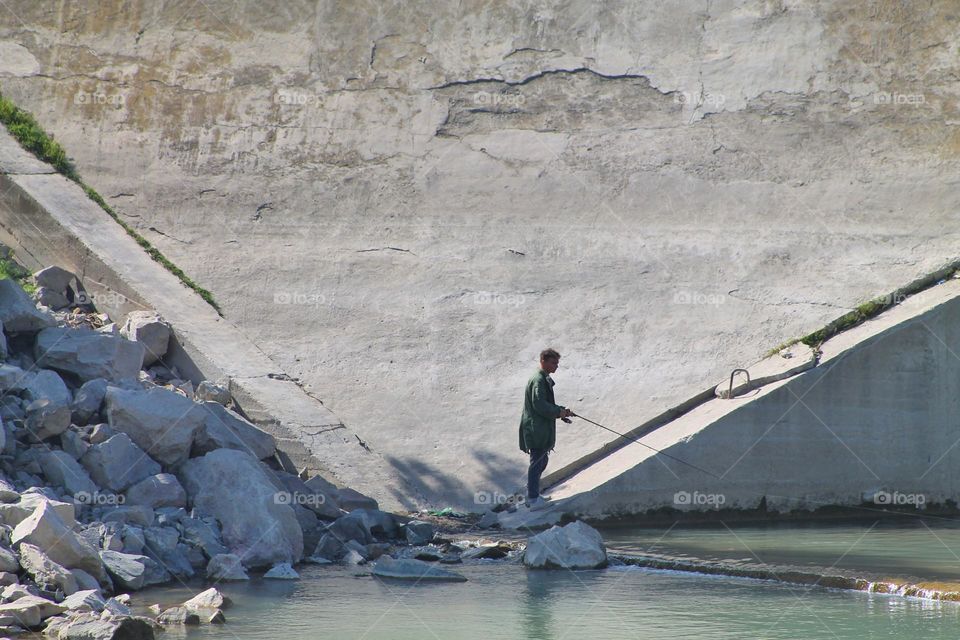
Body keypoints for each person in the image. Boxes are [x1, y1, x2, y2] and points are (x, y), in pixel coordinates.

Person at [519, 348, 573, 509]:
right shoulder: (538, 380)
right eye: (553, 362)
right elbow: (539, 405)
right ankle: (533, 499)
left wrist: (562, 411)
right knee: (537, 462)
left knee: (542, 461)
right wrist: (558, 412)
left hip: (541, 427)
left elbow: (545, 403)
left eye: (557, 363)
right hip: (536, 428)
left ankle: (533, 494)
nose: (556, 366)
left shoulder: (544, 378)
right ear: (543, 361)